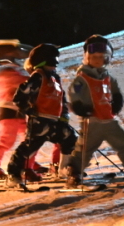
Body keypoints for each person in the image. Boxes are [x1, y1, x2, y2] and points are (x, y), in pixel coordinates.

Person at [5, 44, 80, 190]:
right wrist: (28, 109)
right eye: (52, 64)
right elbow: (20, 96)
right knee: (29, 148)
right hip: (40, 121)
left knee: (70, 137)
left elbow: (61, 99)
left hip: (55, 120)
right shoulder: (38, 76)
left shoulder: (54, 78)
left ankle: (65, 169)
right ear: (43, 62)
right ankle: (13, 175)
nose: (55, 67)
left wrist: (64, 115)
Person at [68, 35, 124, 182]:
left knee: (123, 144)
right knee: (85, 148)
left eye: (102, 57)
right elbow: (75, 93)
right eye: (95, 57)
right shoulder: (83, 77)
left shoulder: (107, 77)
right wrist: (79, 106)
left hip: (108, 119)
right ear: (87, 58)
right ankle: (74, 172)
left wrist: (117, 102)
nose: (99, 61)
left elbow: (116, 91)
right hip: (92, 121)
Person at [0, 39, 32, 180]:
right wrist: (34, 78)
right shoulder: (4, 73)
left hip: (19, 110)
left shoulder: (12, 70)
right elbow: (20, 82)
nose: (18, 54)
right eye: (14, 51)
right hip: (8, 110)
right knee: (6, 140)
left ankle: (28, 163)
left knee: (27, 137)